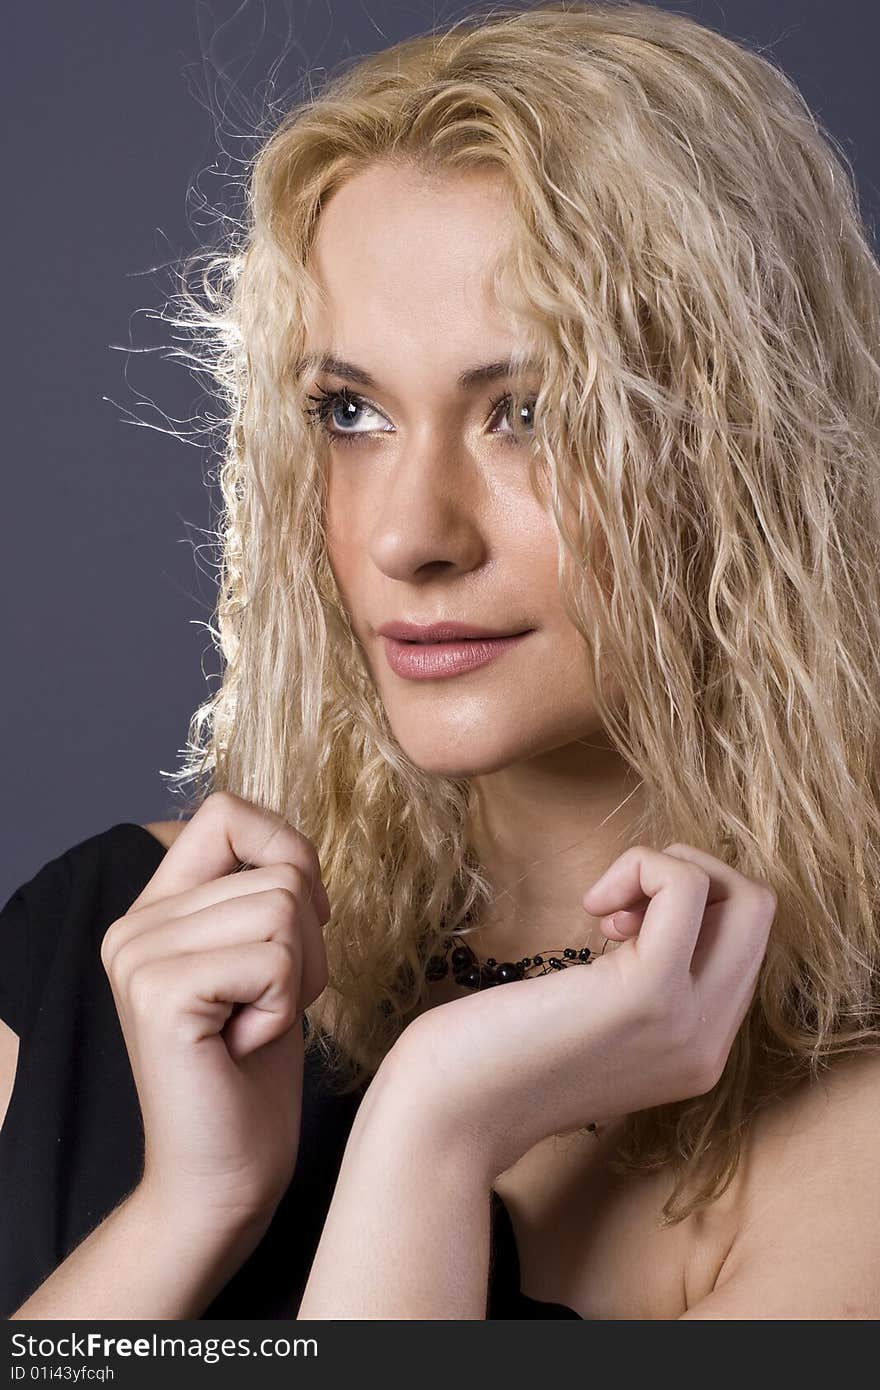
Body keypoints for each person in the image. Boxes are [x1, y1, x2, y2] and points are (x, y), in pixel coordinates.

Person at [3, 0, 880, 1320]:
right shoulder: (115, 942)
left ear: (749, 451)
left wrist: (431, 1125)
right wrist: (190, 1202)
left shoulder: (848, 1137)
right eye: (350, 412)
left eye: (528, 413)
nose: (410, 533)